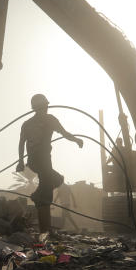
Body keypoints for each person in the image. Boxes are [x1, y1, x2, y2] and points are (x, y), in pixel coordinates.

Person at [16, 93, 83, 234]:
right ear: (44, 106)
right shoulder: (48, 120)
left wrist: (21, 161)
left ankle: (40, 201)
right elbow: (65, 134)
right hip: (41, 161)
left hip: (36, 162)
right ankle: (45, 231)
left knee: (58, 180)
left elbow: (22, 143)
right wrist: (76, 140)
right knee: (45, 194)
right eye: (45, 106)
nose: (46, 108)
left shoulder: (29, 123)